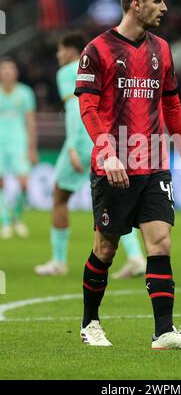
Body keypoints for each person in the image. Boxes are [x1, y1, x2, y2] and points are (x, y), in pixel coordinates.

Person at [75, 0, 181, 350]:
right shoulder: (97, 50)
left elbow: (171, 104)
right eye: (157, 1)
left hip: (152, 162)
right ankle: (90, 323)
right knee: (106, 248)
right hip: (113, 167)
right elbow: (87, 106)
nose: (163, 8)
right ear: (136, 4)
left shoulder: (162, 50)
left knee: (161, 242)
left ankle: (164, 331)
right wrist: (107, 151)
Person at [35, 32, 146, 277]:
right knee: (117, 201)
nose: (58, 55)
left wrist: (73, 145)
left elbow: (76, 108)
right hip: (107, 137)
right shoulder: (101, 65)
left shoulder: (67, 72)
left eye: (60, 49)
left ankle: (59, 261)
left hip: (84, 139)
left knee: (59, 195)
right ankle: (137, 257)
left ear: (71, 51)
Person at [0, 58, 38, 239]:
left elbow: (30, 122)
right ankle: (5, 221)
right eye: (4, 69)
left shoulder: (25, 93)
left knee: (24, 183)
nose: (7, 72)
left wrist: (32, 147)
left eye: (10, 69)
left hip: (18, 142)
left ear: (16, 73)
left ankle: (17, 217)